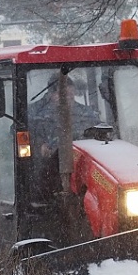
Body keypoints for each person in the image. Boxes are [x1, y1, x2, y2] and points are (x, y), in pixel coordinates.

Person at [28, 74, 99, 202]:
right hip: (46, 165)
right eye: (64, 95)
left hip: (79, 161)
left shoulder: (85, 113)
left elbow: (99, 129)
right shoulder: (35, 112)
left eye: (71, 95)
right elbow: (20, 132)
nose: (68, 99)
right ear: (51, 94)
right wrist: (38, 145)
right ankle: (44, 201)